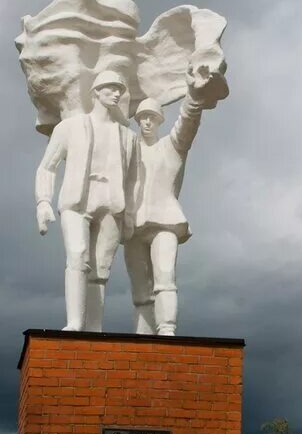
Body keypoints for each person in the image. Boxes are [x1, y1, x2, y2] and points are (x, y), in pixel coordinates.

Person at [35, 71, 138, 331]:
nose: (116, 93)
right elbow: (47, 167)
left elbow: (132, 181)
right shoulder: (70, 127)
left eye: (119, 89)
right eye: (110, 88)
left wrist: (129, 216)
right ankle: (74, 323)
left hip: (112, 201)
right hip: (77, 199)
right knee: (78, 256)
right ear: (96, 92)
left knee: (101, 270)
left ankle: (94, 330)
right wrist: (43, 201)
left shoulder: (128, 137)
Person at [123, 88, 204, 335]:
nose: (146, 122)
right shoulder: (127, 150)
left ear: (160, 120)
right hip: (134, 225)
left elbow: (187, 123)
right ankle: (143, 338)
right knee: (140, 290)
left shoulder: (172, 146)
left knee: (165, 278)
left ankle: (167, 330)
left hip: (165, 223)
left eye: (152, 118)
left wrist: (196, 97)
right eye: (142, 118)